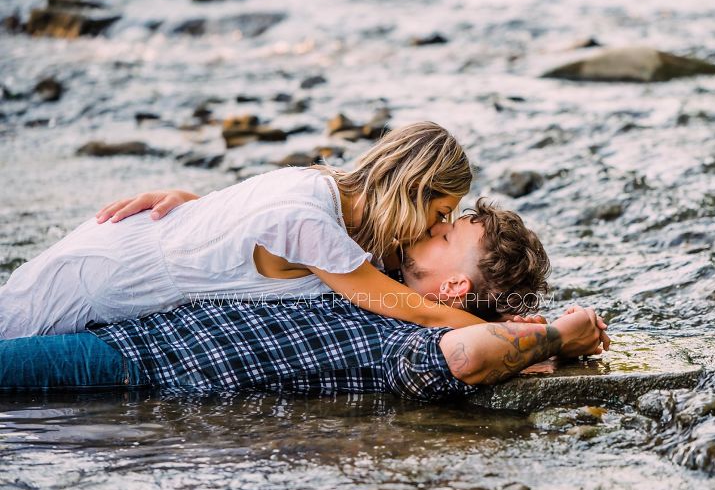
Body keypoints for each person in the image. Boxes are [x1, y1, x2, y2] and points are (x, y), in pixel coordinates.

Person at [0, 203, 608, 399]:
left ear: (454, 289)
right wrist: (199, 209)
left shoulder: (409, 335)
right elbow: (275, 226)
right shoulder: (367, 266)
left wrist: (558, 335)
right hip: (125, 318)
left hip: (140, 362)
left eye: (444, 235)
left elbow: (467, 356)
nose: (425, 226)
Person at [0, 122, 490, 339]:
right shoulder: (312, 224)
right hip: (104, 282)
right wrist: (509, 337)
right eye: (443, 212)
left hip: (119, 254)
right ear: (414, 190)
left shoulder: (319, 184)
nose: (439, 226)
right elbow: (422, 314)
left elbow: (235, 219)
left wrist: (190, 202)